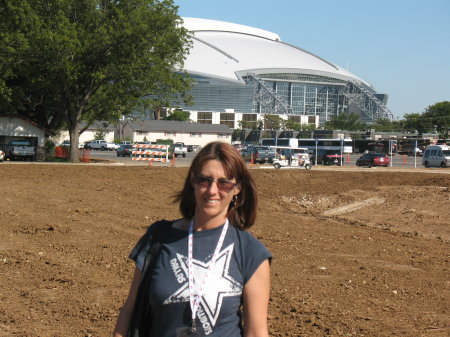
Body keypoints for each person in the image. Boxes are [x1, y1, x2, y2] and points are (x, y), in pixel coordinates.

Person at [113, 141, 272, 337]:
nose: (212, 190)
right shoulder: (158, 239)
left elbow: (256, 332)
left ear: (237, 188)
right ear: (192, 182)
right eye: (204, 180)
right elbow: (129, 310)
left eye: (224, 182)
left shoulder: (251, 253)